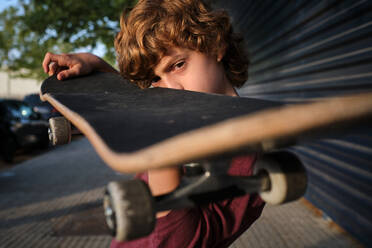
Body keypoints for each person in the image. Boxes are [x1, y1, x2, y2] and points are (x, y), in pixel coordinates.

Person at [42, 0, 265, 247]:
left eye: (178, 65)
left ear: (216, 45)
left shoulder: (251, 156)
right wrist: (98, 67)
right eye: (155, 80)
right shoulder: (178, 113)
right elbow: (140, 101)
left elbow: (185, 241)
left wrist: (160, 142)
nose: (171, 89)